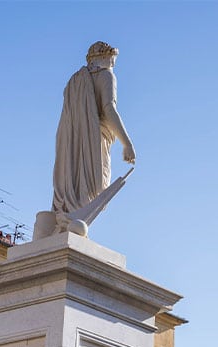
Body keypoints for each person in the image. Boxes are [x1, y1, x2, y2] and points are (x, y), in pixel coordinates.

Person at [52, 41, 136, 216]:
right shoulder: (107, 76)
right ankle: (74, 219)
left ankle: (68, 216)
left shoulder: (74, 80)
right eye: (112, 58)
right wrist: (126, 143)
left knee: (78, 187)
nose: (114, 62)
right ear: (105, 56)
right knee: (95, 192)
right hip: (94, 139)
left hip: (71, 145)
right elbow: (109, 109)